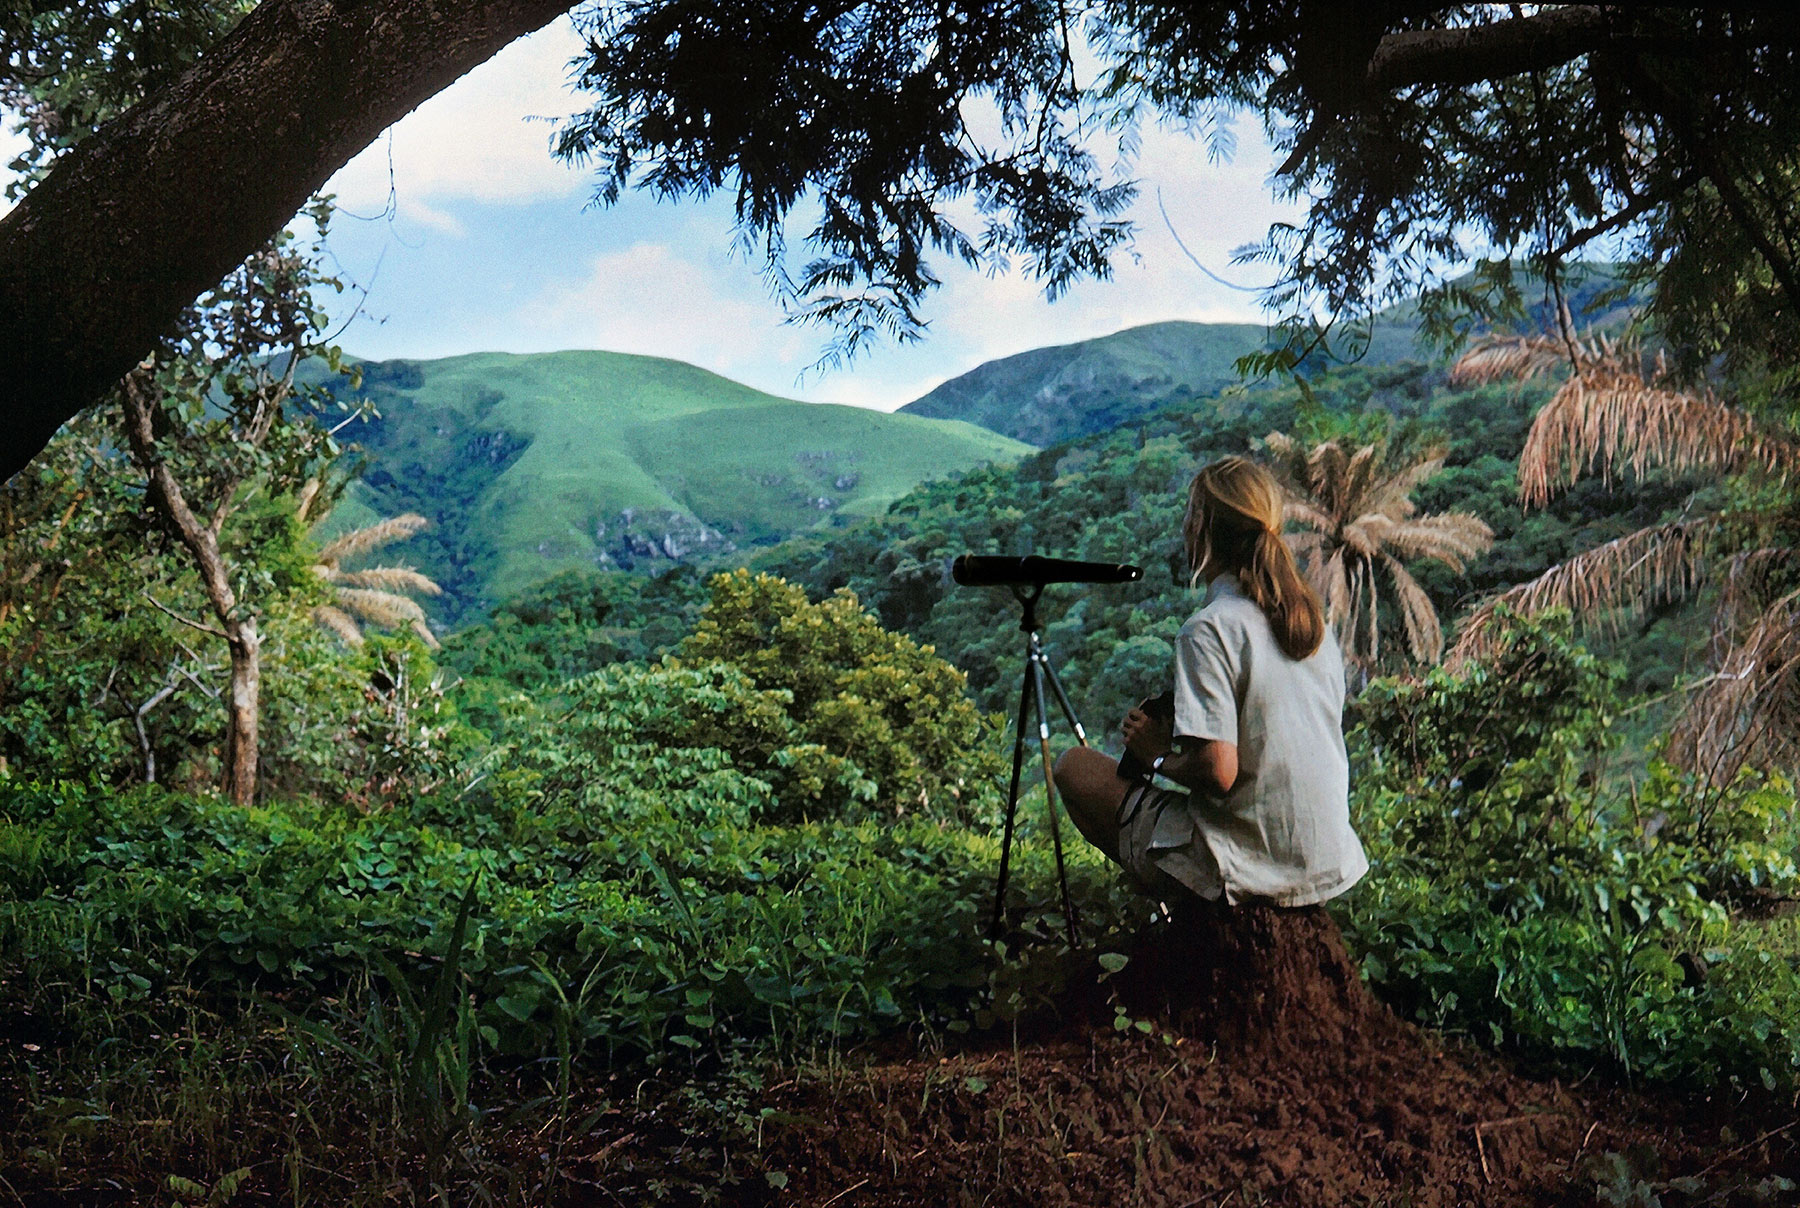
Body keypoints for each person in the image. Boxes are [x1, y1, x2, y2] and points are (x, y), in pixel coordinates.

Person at [1053, 455, 1368, 907]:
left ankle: (1186, 907)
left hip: (1248, 865)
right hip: (1322, 861)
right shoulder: (1311, 626)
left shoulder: (1209, 628)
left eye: (1189, 514)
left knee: (1074, 768)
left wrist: (1157, 756)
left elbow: (1220, 772)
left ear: (1200, 528)